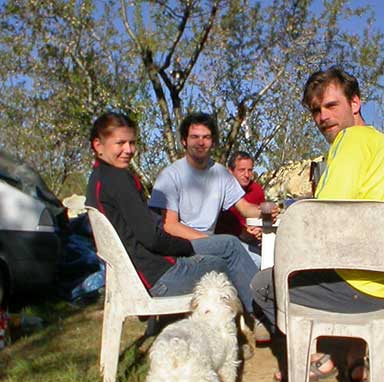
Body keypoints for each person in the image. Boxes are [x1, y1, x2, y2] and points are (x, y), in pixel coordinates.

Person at [250, 66, 384, 382]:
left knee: (262, 284)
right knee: (345, 261)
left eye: (331, 105)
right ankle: (355, 359)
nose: (323, 116)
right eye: (316, 110)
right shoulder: (381, 144)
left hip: (363, 289)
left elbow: (317, 221)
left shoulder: (350, 139)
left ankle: (314, 359)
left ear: (355, 102)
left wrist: (293, 215)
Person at [85, 112, 259, 315]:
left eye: (131, 143)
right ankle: (262, 316)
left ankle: (259, 313)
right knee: (226, 260)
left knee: (229, 245)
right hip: (157, 277)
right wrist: (187, 248)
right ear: (98, 145)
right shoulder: (119, 180)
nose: (128, 150)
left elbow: (144, 232)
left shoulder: (100, 178)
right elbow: (152, 237)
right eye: (120, 143)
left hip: (146, 271)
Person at [148, 112, 269, 340]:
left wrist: (265, 209)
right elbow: (170, 226)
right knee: (231, 247)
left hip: (210, 246)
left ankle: (263, 313)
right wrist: (209, 241)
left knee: (257, 259)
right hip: (180, 246)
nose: (200, 142)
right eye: (194, 137)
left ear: (212, 141)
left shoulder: (221, 174)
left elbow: (245, 208)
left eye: (206, 137)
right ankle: (262, 315)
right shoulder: (171, 176)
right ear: (184, 141)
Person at [215, 151, 265, 267]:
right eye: (242, 170)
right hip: (229, 242)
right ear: (230, 171)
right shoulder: (221, 192)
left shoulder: (256, 190)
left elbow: (260, 218)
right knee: (258, 261)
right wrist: (243, 232)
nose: (246, 175)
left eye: (250, 170)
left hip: (254, 240)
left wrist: (261, 231)